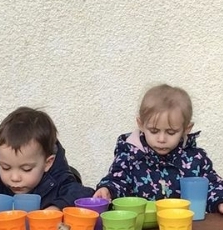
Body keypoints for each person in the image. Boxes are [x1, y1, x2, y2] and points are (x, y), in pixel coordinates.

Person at [94, 84, 223, 212]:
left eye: (171, 132)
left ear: (186, 129)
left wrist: (220, 201)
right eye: (154, 131)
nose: (161, 139)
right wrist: (108, 190)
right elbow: (118, 180)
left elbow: (212, 185)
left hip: (182, 223)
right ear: (141, 124)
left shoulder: (195, 159)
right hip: (142, 224)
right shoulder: (129, 156)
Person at [0, 107, 94, 208]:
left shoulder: (59, 183)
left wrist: (56, 208)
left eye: (26, 169)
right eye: (5, 167)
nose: (14, 178)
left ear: (47, 163)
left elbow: (84, 194)